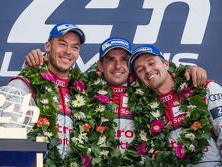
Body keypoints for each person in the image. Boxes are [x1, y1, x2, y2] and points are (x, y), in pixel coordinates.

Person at [25, 37, 208, 153]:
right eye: (111, 59)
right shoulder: (84, 89)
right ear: (99, 66)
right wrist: (39, 58)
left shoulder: (146, 87)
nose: (118, 66)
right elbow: (57, 75)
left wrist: (191, 69)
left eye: (124, 60)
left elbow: (167, 76)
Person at [129, 45, 222, 167]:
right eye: (140, 70)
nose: (148, 70)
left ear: (166, 64)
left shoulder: (204, 88)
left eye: (151, 63)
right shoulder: (145, 111)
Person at [8, 22, 85, 165]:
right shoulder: (25, 84)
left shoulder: (84, 92)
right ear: (48, 47)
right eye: (62, 44)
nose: (68, 51)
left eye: (75, 47)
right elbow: (8, 139)